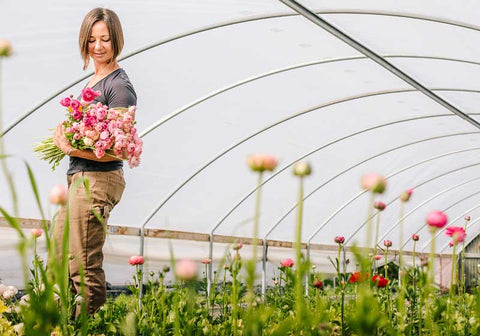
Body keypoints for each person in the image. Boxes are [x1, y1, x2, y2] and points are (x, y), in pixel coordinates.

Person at [53, 7, 136, 316]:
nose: (98, 46)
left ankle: (89, 325)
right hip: (81, 177)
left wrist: (70, 148)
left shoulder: (118, 86)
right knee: (60, 257)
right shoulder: (96, 80)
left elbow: (119, 149)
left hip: (98, 179)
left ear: (117, 40)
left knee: (82, 264)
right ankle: (60, 323)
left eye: (105, 39)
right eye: (91, 39)